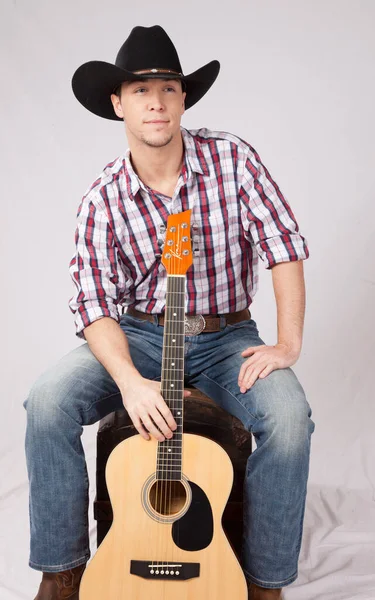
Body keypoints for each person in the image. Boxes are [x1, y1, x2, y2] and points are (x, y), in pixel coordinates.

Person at [23, 25, 315, 600]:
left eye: (167, 88)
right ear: (117, 103)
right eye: (139, 90)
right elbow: (93, 303)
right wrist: (129, 381)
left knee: (289, 423)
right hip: (137, 335)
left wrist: (287, 343)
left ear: (183, 98)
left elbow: (284, 246)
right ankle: (63, 570)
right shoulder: (102, 197)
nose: (155, 102)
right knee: (47, 401)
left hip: (227, 334)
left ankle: (265, 582)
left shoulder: (233, 158)